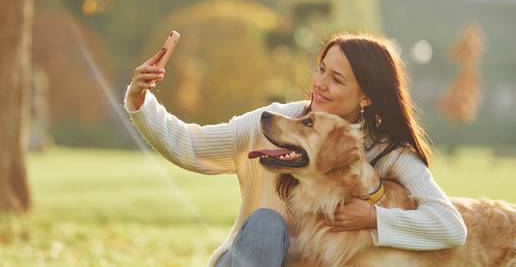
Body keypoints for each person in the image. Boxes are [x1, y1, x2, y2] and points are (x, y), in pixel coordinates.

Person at [124, 33, 467, 267]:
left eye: (337, 78)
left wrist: (375, 217)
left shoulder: (387, 151)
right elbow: (190, 144)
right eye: (321, 69)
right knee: (267, 223)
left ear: (366, 97)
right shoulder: (277, 122)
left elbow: (450, 225)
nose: (320, 83)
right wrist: (141, 100)